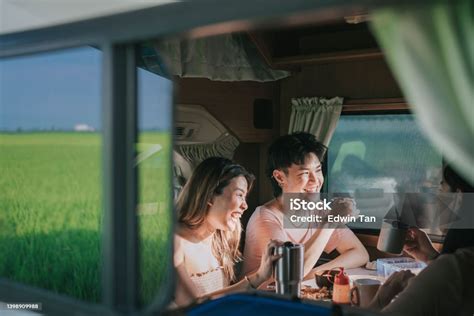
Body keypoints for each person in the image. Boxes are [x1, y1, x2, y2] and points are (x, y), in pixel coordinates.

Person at [242, 132, 369, 279]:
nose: (315, 180)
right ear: (280, 177)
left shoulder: (318, 209)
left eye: (318, 170)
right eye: (304, 173)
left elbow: (359, 253)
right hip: (262, 298)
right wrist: (330, 222)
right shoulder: (265, 219)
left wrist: (315, 273)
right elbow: (289, 275)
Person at [173, 157, 283, 307]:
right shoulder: (174, 242)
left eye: (245, 197)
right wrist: (257, 277)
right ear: (210, 195)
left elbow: (223, 300)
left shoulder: (220, 239)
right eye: (239, 195)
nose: (245, 206)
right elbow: (193, 307)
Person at [368, 163, 474, 315]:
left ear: (458, 198)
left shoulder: (450, 271)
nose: (435, 199)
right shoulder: (464, 262)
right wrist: (431, 257)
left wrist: (380, 300)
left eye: (440, 189)